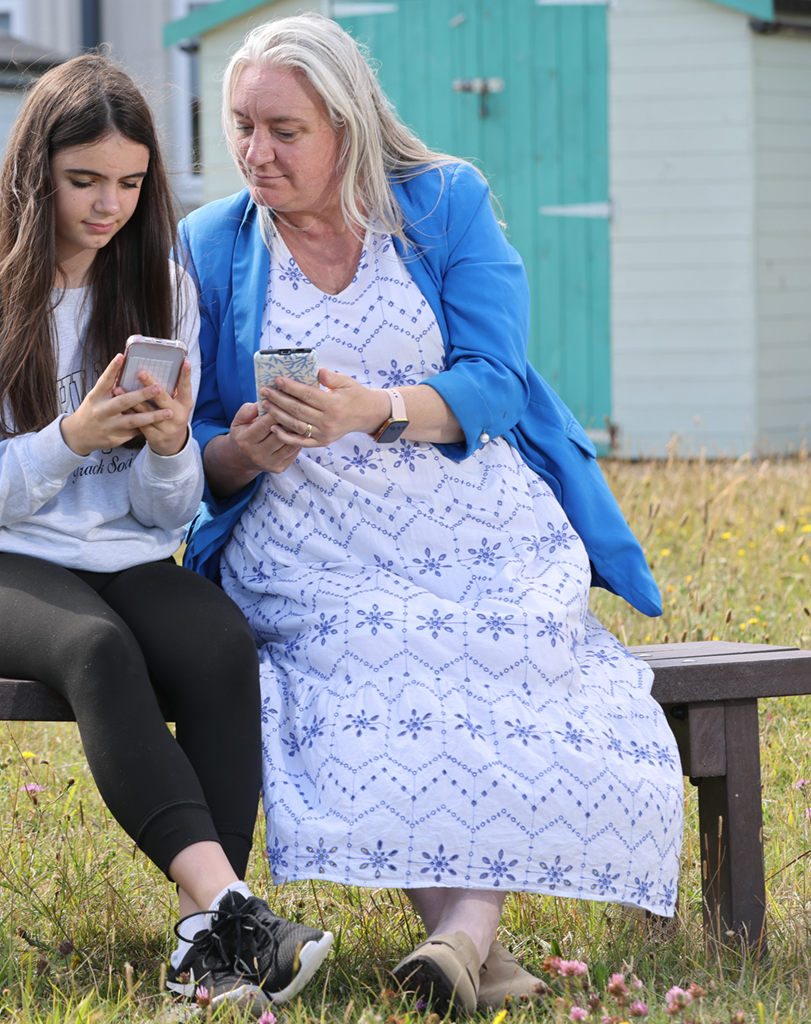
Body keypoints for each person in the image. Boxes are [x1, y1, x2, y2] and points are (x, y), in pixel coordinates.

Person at [179, 15, 685, 1016]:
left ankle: (465, 937)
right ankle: (469, 944)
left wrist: (374, 410)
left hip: (462, 503)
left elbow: (496, 381)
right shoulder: (210, 243)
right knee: (374, 641)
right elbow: (189, 440)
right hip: (303, 525)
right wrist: (247, 446)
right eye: (240, 126)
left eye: (283, 129)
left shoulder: (443, 201)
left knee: (499, 636)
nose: (255, 152)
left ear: (347, 125)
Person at [0, 54, 333, 1007]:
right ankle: (233, 911)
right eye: (84, 181)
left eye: (131, 183)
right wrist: (68, 438)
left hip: (122, 558)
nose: (108, 206)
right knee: (97, 648)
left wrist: (175, 446)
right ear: (36, 175)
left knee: (222, 639)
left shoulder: (156, 290)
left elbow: (163, 514)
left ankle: (212, 952)